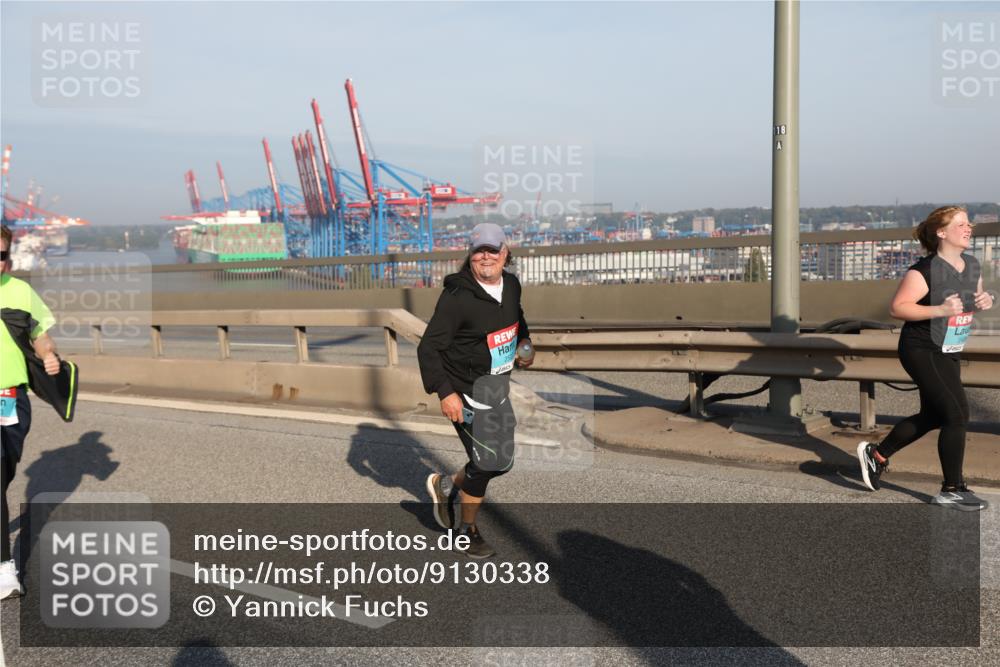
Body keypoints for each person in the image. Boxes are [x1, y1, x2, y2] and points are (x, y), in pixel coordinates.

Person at [857, 207, 994, 510]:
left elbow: (971, 298)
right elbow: (899, 308)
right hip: (921, 348)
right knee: (957, 414)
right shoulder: (925, 270)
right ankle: (951, 489)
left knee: (936, 415)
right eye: (961, 224)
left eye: (969, 223)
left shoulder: (971, 264)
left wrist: (986, 300)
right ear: (941, 233)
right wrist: (939, 311)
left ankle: (877, 455)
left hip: (949, 347)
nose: (968, 228)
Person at [418, 223, 533, 558]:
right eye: (479, 250)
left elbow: (517, 318)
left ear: (505, 253)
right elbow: (428, 349)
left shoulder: (511, 285)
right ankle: (468, 531)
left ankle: (444, 485)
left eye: (493, 250)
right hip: (465, 393)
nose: (486, 257)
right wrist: (445, 393)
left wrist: (525, 342)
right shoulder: (456, 299)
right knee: (486, 462)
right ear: (470, 255)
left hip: (495, 388)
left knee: (502, 462)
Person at [0, 225, 61, 599]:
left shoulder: (21, 291)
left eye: (2, 255)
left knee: (4, 473)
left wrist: (49, 355)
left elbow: (40, 331)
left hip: (10, 399)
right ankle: (5, 569)